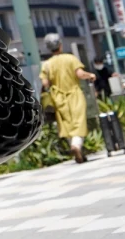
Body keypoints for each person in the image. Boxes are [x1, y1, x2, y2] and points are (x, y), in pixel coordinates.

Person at [40, 34, 97, 163]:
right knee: (79, 122)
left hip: (58, 97)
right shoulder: (70, 59)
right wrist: (91, 75)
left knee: (66, 124)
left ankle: (79, 154)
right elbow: (80, 74)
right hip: (74, 94)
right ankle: (76, 146)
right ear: (60, 45)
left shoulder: (47, 64)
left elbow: (45, 83)